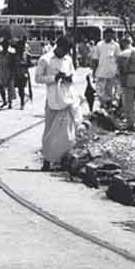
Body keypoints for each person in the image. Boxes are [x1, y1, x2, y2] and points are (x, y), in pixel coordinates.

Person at [36, 36, 83, 171]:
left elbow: (74, 75)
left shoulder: (68, 59)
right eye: (64, 49)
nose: (65, 53)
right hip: (53, 99)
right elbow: (38, 78)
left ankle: (63, 159)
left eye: (67, 50)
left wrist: (69, 78)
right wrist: (54, 78)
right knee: (50, 131)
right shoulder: (45, 59)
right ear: (58, 46)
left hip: (67, 98)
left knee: (67, 132)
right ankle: (47, 160)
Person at [117, 36, 135, 132]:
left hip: (129, 78)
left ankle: (131, 124)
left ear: (123, 43)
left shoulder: (123, 54)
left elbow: (121, 69)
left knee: (129, 102)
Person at [94, 29, 121, 112]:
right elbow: (95, 59)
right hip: (101, 72)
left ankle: (109, 109)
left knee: (110, 92)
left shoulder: (116, 45)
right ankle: (103, 106)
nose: (109, 36)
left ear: (112, 35)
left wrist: (118, 71)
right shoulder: (99, 44)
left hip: (112, 73)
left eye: (110, 34)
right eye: (107, 34)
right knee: (100, 92)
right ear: (104, 35)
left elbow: (118, 58)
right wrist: (93, 71)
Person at [0, 39, 17, 110]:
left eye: (6, 45)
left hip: (8, 71)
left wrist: (12, 74)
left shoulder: (11, 55)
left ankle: (10, 102)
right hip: (1, 71)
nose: (4, 46)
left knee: (10, 88)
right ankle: (4, 101)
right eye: (3, 45)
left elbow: (13, 65)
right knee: (0, 87)